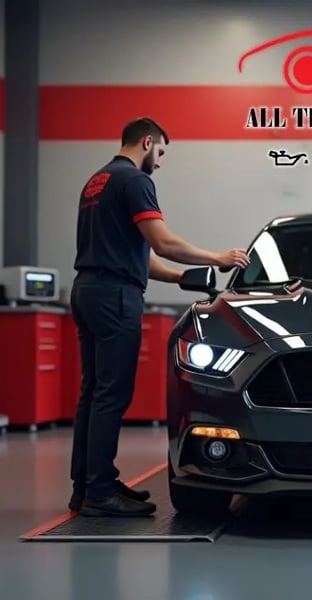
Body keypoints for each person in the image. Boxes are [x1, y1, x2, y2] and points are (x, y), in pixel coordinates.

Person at [68, 117, 250, 517]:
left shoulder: (97, 182)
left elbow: (139, 256)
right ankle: (99, 493)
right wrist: (218, 257)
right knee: (111, 395)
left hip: (89, 289)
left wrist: (184, 276)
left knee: (93, 393)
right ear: (147, 142)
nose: (160, 162)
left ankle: (86, 486)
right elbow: (163, 242)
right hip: (116, 296)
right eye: (161, 152)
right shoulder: (135, 181)